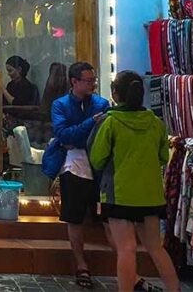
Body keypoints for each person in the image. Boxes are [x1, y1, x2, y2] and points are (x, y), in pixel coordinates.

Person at [89, 71, 181, 292]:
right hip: (150, 194)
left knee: (126, 249)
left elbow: (97, 158)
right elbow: (162, 157)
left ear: (114, 93)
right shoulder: (155, 122)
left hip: (118, 193)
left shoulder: (110, 122)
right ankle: (174, 288)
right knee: (156, 248)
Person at [42, 62, 109, 289]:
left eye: (93, 80)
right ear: (74, 81)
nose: (93, 84)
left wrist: (77, 135)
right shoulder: (60, 105)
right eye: (88, 80)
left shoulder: (102, 103)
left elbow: (96, 136)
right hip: (72, 165)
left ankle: (122, 263)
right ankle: (81, 263)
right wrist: (90, 123)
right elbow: (63, 134)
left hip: (97, 165)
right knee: (74, 217)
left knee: (106, 216)